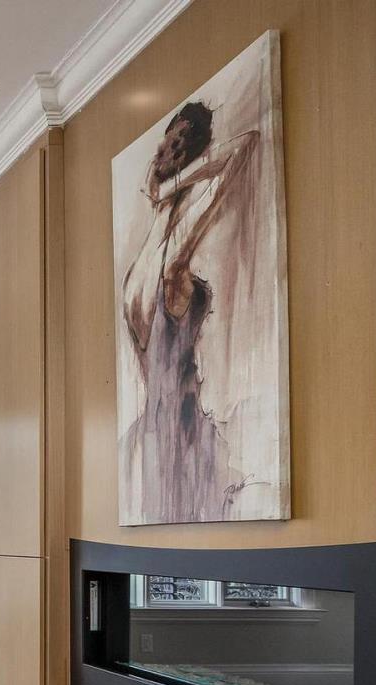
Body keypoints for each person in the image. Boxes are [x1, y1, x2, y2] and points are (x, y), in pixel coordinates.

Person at [119, 100, 260, 524]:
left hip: (185, 439)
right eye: (170, 138)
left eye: (183, 141)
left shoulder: (178, 240)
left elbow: (245, 145)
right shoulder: (155, 235)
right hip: (155, 437)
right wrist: (162, 187)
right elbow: (151, 179)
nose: (170, 149)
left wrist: (178, 180)